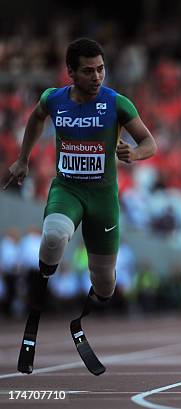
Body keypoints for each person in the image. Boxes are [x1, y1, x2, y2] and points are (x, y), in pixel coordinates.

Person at [1, 38, 157, 373]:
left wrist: (135, 154)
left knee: (105, 284)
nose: (97, 76)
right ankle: (40, 286)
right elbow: (36, 118)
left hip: (103, 200)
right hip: (68, 190)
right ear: (70, 72)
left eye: (101, 69)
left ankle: (89, 301)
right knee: (54, 236)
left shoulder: (117, 104)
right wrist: (23, 160)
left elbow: (149, 142)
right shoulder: (54, 99)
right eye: (88, 71)